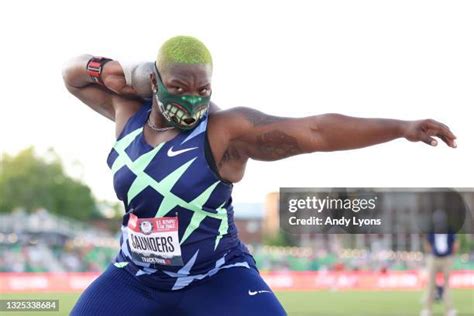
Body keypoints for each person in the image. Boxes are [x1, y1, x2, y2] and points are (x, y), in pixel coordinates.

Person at [62, 35, 457, 315]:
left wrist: (401, 127)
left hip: (215, 276)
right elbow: (72, 74)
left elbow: (315, 131)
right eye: (179, 86)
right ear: (154, 81)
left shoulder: (223, 132)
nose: (192, 99)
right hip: (136, 276)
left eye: (203, 89)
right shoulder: (126, 114)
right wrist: (117, 68)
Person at [421, 209, 460, 316]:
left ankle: (449, 310)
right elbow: (426, 242)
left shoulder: (450, 230)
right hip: (434, 258)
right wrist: (430, 252)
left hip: (446, 258)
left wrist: (451, 255)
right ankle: (427, 310)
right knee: (431, 285)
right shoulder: (431, 230)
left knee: (447, 285)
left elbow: (455, 243)